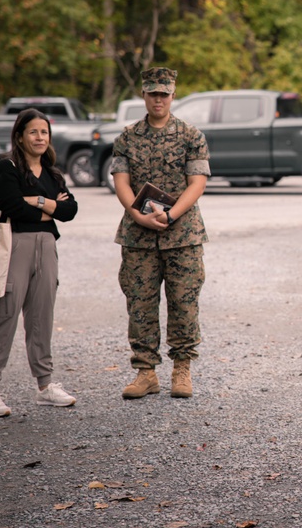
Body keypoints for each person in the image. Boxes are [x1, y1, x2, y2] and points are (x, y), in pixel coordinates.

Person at [111, 67, 210, 400]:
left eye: (163, 93)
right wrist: (138, 216)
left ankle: (182, 368)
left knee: (184, 302)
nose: (158, 99)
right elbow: (121, 182)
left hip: (182, 234)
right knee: (140, 303)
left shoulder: (190, 135)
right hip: (139, 236)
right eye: (153, 93)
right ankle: (145, 372)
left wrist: (170, 214)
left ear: (173, 94)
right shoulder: (128, 137)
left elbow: (197, 183)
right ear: (144, 94)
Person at [0, 109, 79, 417]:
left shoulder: (51, 173)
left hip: (47, 247)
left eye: (44, 132)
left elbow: (70, 209)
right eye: (33, 132)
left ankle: (45, 386)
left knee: (41, 316)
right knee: (5, 314)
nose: (39, 138)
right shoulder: (6, 168)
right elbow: (10, 205)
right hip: (14, 246)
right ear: (20, 135)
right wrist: (50, 207)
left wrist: (37, 202)